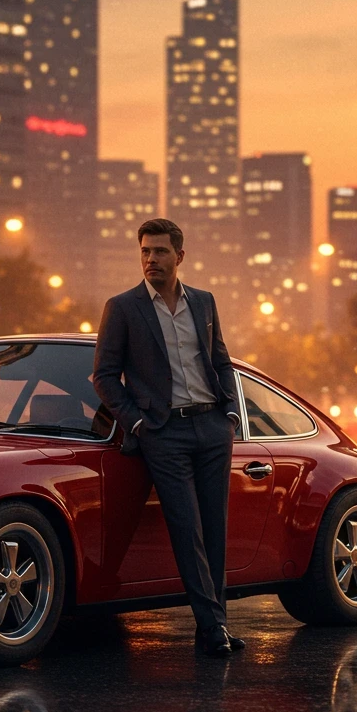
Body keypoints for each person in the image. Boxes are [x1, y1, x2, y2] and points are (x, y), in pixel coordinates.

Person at [92, 218, 245, 657]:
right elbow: (104, 376)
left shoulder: (204, 302)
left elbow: (221, 361)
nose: (150, 259)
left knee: (214, 530)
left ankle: (214, 624)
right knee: (186, 528)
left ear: (180, 256)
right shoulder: (123, 308)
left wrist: (230, 413)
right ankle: (213, 627)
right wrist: (138, 424)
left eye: (159, 251)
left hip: (212, 427)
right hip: (164, 433)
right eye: (145, 251)